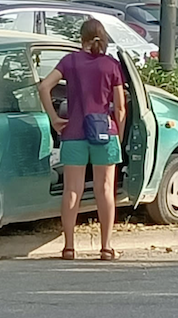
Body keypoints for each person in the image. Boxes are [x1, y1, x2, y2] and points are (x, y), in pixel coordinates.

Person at [38, 18, 127, 261]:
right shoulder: (111, 66)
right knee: (105, 191)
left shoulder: (69, 62)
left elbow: (44, 87)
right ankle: (106, 248)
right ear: (103, 38)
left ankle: (68, 248)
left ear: (81, 39)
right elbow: (120, 108)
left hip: (74, 133)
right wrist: (116, 135)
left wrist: (55, 118)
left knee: (72, 191)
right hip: (103, 134)